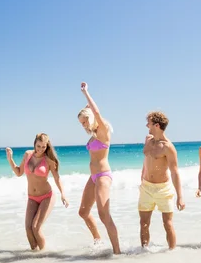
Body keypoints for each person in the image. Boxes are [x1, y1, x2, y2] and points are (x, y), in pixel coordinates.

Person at [77, 82, 120, 254]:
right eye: (81, 122)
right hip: (93, 177)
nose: (84, 124)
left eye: (85, 120)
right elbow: (91, 114)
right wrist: (85, 110)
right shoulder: (94, 135)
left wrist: (86, 93)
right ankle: (98, 241)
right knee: (83, 212)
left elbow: (96, 112)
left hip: (103, 176)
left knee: (104, 215)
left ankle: (117, 251)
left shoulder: (103, 131)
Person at [6, 133, 68, 250]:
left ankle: (44, 254)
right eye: (38, 146)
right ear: (34, 144)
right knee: (28, 228)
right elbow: (19, 172)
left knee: (35, 227)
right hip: (32, 197)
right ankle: (35, 256)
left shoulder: (49, 160)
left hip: (46, 197)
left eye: (43, 147)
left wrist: (63, 194)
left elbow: (56, 178)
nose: (40, 149)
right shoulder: (28, 155)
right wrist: (10, 159)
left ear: (47, 146)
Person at [139, 111, 185, 249]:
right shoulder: (148, 139)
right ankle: (144, 252)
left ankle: (172, 253)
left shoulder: (168, 147)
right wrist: (142, 178)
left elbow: (175, 172)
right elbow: (146, 160)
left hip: (163, 189)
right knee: (144, 223)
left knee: (168, 224)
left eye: (149, 123)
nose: (147, 125)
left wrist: (180, 197)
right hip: (146, 187)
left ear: (157, 125)